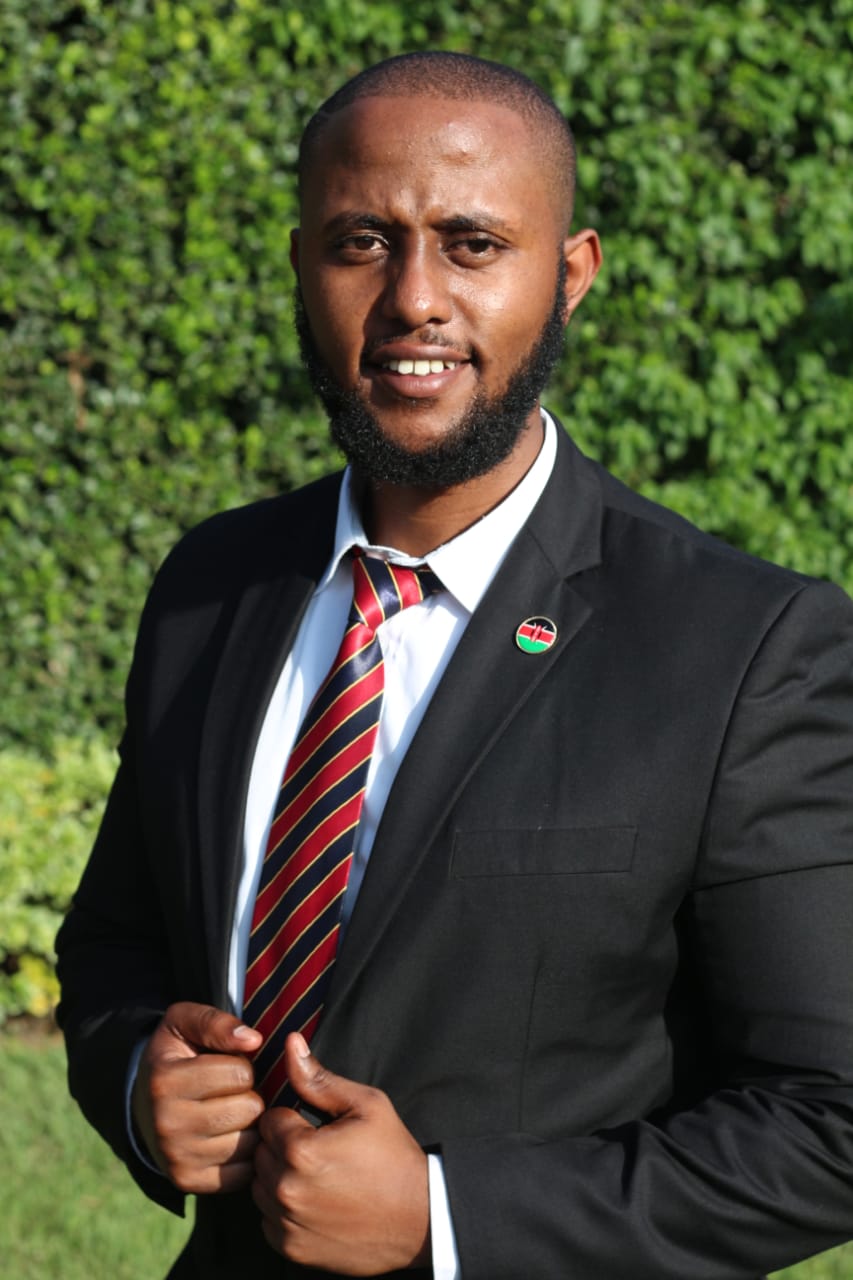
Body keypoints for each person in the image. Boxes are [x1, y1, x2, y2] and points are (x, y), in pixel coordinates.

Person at [56, 51, 853, 1280]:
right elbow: (117, 938)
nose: (414, 298)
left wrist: (446, 1213)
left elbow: (828, 1122)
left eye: (472, 244)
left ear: (570, 274)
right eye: (361, 242)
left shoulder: (746, 649)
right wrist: (134, 1077)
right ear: (300, 264)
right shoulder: (213, 586)